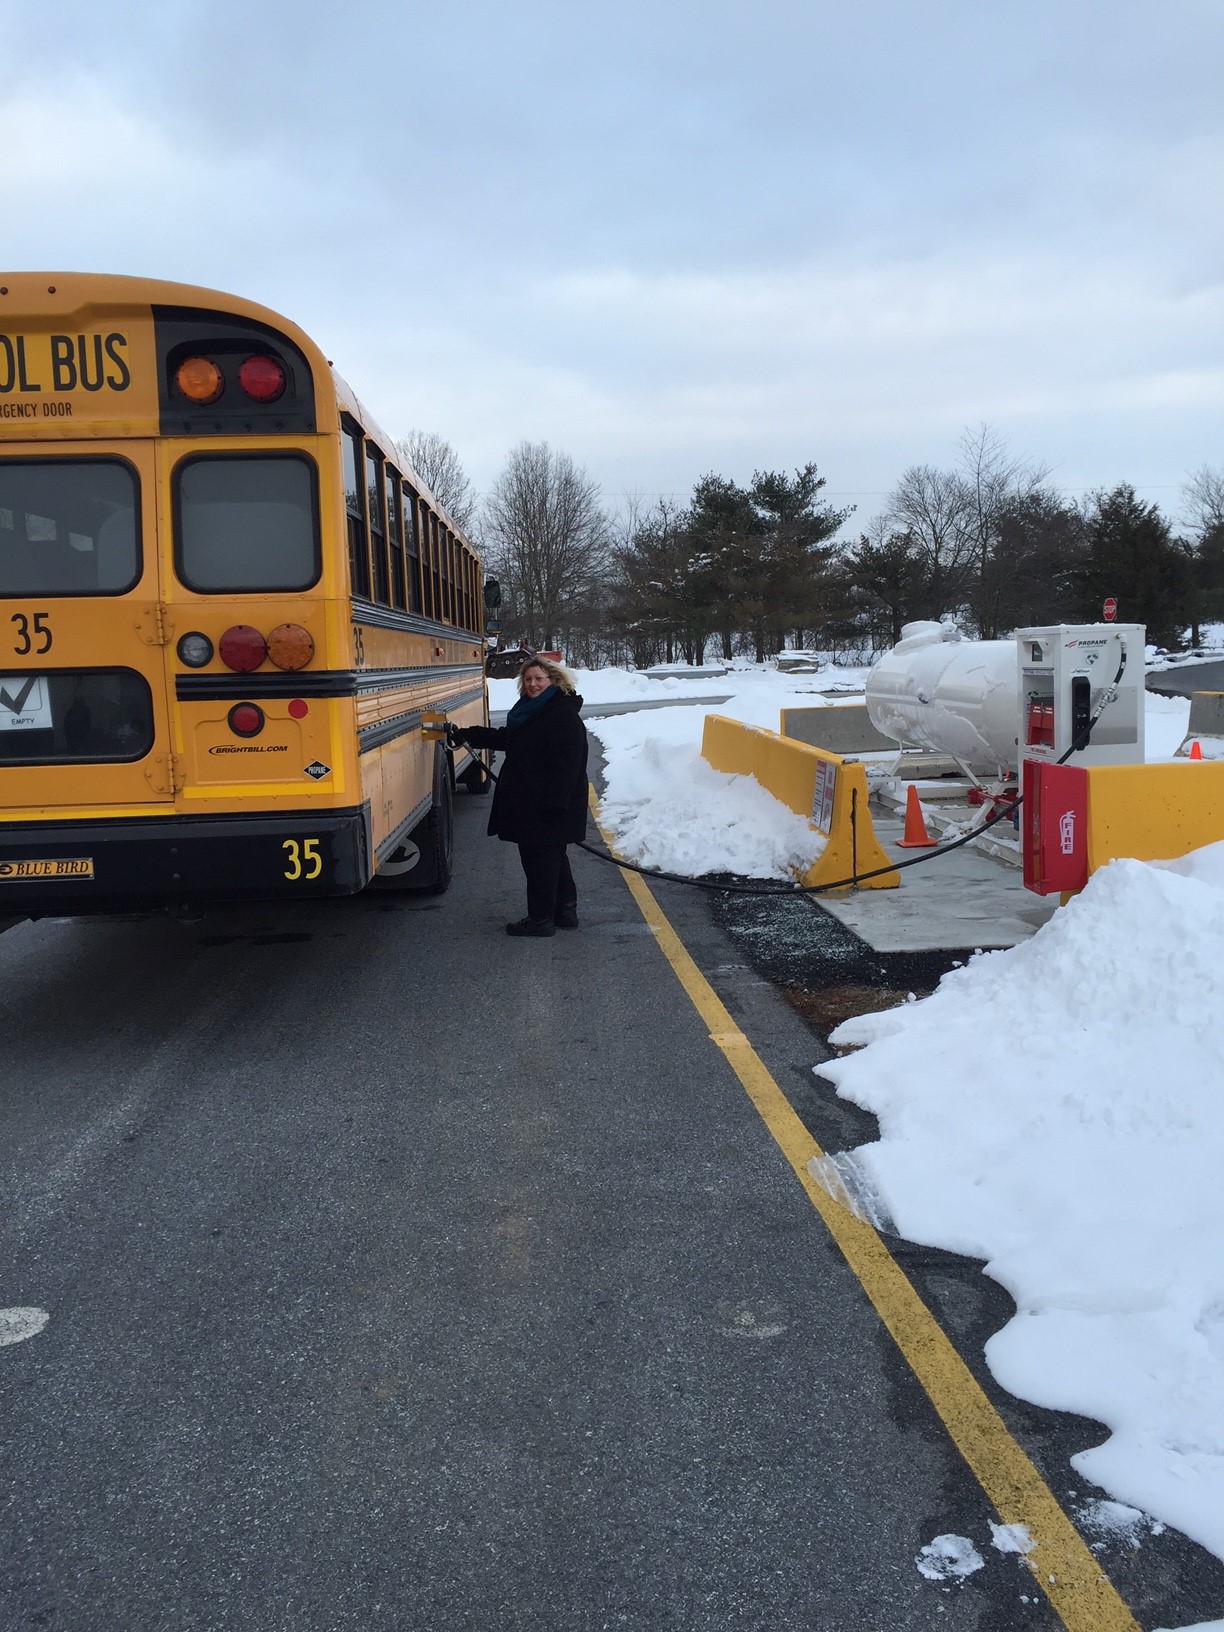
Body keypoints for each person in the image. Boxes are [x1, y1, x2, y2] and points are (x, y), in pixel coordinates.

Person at [452, 655, 589, 937]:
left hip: (547, 802)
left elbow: (568, 765)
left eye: (539, 679)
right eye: (528, 679)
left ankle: (540, 920)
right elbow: (512, 739)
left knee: (539, 859)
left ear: (554, 680)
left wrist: (555, 803)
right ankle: (565, 912)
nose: (533, 684)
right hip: (535, 801)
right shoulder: (534, 710)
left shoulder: (561, 714)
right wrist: (471, 734)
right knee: (554, 855)